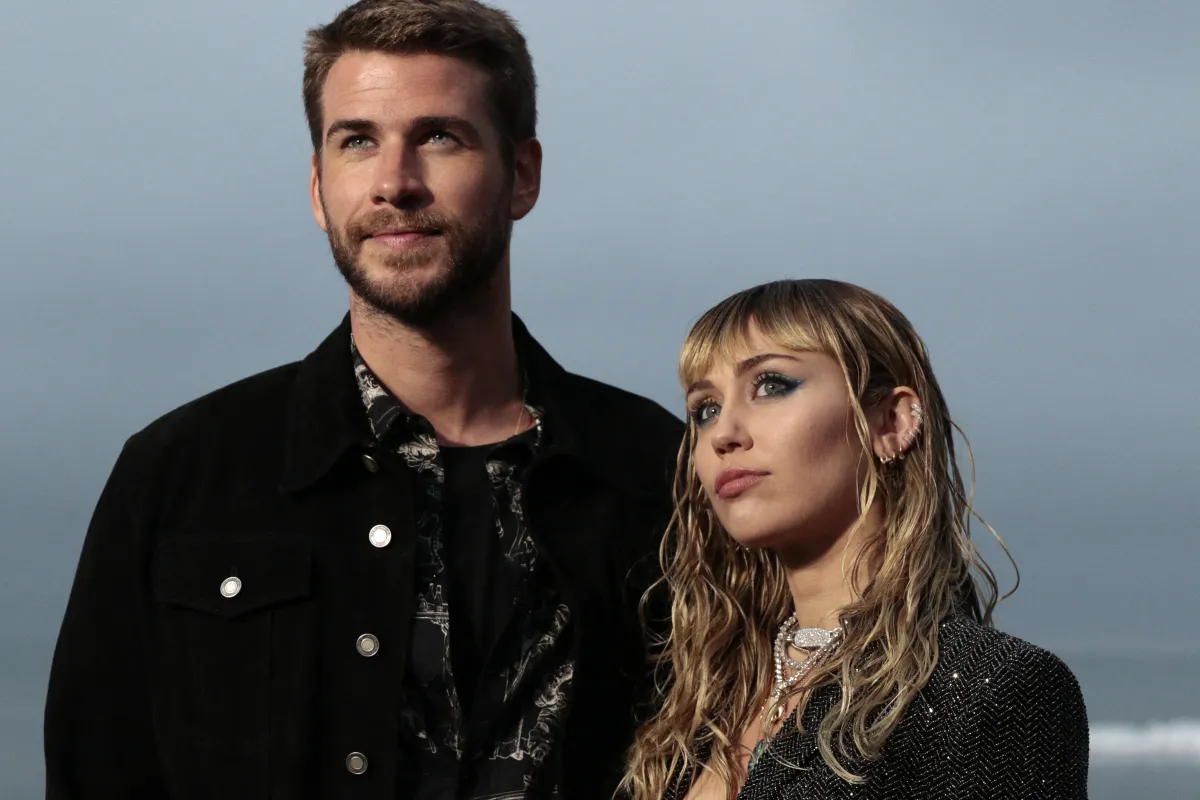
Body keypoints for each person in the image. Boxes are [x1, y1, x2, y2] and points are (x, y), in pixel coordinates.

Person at [43, 1, 682, 798]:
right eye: (357, 141)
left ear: (522, 175)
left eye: (439, 136)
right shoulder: (180, 476)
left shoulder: (657, 474)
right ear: (318, 188)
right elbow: (93, 771)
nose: (393, 183)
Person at [620, 279, 1089, 799]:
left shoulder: (998, 690)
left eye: (771, 384)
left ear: (890, 421)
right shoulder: (695, 710)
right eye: (704, 408)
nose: (723, 432)